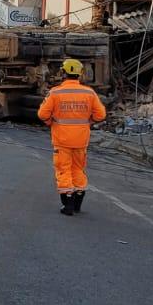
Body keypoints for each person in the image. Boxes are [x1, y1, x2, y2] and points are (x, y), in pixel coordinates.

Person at [37, 58, 107, 216]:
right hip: (81, 139)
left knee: (63, 170)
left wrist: (50, 122)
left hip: (62, 139)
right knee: (78, 169)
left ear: (63, 73)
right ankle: (78, 201)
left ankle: (67, 204)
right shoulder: (89, 93)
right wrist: (88, 121)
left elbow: (42, 114)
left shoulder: (55, 92)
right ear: (80, 74)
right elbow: (101, 114)